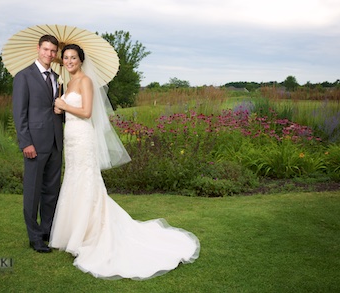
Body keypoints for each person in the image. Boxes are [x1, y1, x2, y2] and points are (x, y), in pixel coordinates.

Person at [50, 44, 200, 280]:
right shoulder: (67, 83)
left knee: (87, 181)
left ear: (81, 60)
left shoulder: (86, 81)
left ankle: (91, 234)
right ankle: (74, 234)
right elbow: (71, 109)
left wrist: (65, 105)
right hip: (71, 139)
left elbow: (87, 111)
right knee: (74, 180)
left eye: (73, 58)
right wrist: (61, 109)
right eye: (66, 58)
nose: (69, 61)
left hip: (83, 138)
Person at [12, 35, 64, 253]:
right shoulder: (24, 76)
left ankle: (47, 230)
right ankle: (34, 237)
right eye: (46, 49)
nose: (49, 54)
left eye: (53, 51)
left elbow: (54, 109)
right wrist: (26, 142)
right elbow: (19, 112)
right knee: (32, 192)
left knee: (51, 190)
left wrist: (61, 110)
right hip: (34, 143)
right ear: (38, 48)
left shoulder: (56, 77)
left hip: (55, 142)